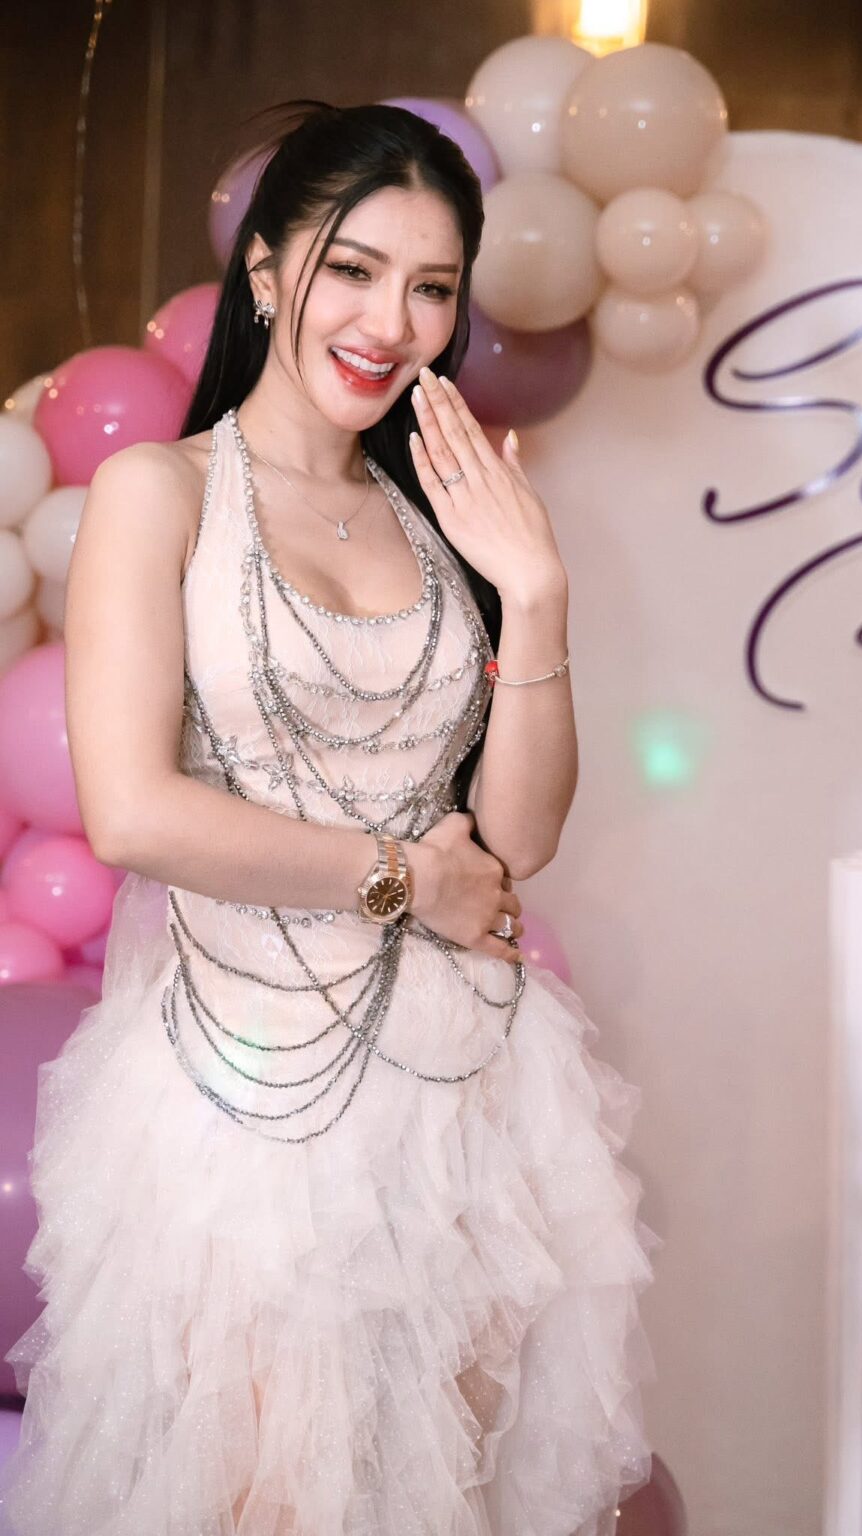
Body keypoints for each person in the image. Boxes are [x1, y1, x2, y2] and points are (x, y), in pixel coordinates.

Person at [0, 101, 659, 1536]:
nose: (390, 322)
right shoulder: (159, 492)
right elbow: (130, 811)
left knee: (450, 1501)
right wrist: (404, 878)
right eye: (351, 270)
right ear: (264, 271)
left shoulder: (442, 516)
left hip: (468, 1094)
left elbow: (517, 839)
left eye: (431, 287)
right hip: (247, 1099)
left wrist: (536, 593)